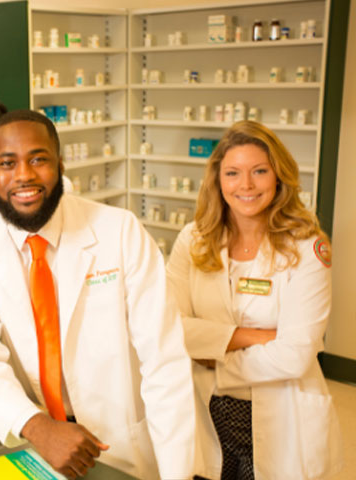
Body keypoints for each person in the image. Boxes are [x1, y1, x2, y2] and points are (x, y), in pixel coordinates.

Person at [0, 110, 196, 479]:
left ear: (60, 164)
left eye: (38, 159)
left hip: (122, 448)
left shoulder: (120, 231)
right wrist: (36, 426)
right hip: (30, 444)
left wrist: (178, 475)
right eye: (7, 163)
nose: (24, 175)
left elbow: (164, 361)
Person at [166, 121, 343, 480]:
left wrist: (213, 360)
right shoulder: (192, 239)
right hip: (204, 412)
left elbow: (294, 356)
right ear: (218, 180)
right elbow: (170, 328)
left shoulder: (307, 247)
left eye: (259, 171)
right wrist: (254, 336)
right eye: (232, 173)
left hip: (282, 413)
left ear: (279, 176)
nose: (245, 185)